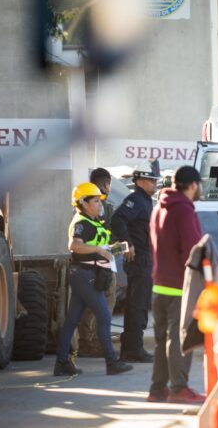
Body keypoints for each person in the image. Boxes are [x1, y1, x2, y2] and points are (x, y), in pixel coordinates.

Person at [54, 182, 133, 376]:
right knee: (104, 316)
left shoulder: (95, 222)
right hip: (84, 275)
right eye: (96, 201)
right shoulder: (81, 223)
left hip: (89, 275)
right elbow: (75, 246)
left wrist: (122, 248)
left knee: (72, 320)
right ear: (83, 203)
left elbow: (104, 252)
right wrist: (98, 249)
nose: (100, 204)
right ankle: (112, 362)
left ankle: (62, 363)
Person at [147, 166, 206, 403]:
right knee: (180, 340)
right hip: (179, 287)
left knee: (162, 342)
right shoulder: (184, 210)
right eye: (200, 184)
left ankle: (157, 390)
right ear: (192, 185)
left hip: (159, 285)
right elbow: (192, 253)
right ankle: (179, 388)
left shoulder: (159, 208)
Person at [112, 159, 161, 362]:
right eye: (151, 180)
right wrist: (127, 243)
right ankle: (132, 348)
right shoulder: (135, 200)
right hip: (138, 260)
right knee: (136, 305)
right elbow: (117, 220)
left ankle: (133, 347)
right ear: (140, 180)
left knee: (140, 305)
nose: (155, 185)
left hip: (145, 259)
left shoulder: (146, 201)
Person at [76, 168, 117, 357]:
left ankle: (91, 341)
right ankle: (91, 342)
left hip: (90, 263)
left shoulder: (82, 204)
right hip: (99, 263)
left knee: (91, 304)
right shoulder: (103, 206)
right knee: (103, 302)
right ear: (106, 184)